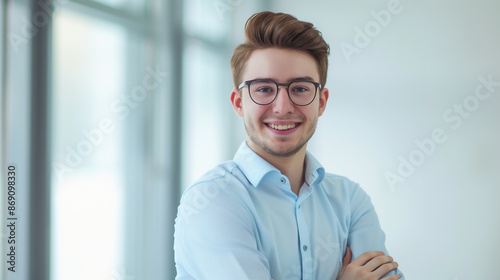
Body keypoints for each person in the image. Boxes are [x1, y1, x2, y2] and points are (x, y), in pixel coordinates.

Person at [174, 11, 404, 280]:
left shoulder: (350, 201)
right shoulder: (211, 201)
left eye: (300, 88)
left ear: (321, 102)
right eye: (263, 89)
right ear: (238, 103)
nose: (282, 107)